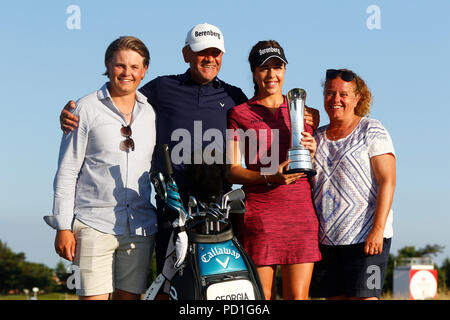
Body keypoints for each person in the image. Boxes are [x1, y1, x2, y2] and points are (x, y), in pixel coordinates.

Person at [59, 23, 321, 279]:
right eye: (201, 52)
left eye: (215, 53)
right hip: (172, 209)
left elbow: (265, 116)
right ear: (186, 54)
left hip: (220, 210)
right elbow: (121, 99)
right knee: (167, 284)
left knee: (217, 284)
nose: (209, 58)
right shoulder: (161, 89)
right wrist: (76, 111)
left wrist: (308, 117)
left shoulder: (234, 96)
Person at [44, 36, 157, 300]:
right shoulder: (84, 108)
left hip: (140, 226)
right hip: (93, 224)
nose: (127, 72)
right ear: (107, 66)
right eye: (120, 65)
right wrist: (62, 226)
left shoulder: (151, 111)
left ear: (144, 70)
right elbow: (67, 170)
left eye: (134, 66)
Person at [227, 40, 322, 300]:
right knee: (260, 298)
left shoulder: (307, 111)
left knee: (298, 298)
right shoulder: (239, 113)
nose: (271, 75)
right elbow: (232, 170)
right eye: (263, 68)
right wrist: (271, 176)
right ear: (254, 73)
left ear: (285, 69)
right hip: (261, 216)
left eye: (277, 67)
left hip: (300, 215)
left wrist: (313, 148)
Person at [309, 68, 396, 300]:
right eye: (329, 93)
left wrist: (377, 230)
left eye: (343, 94)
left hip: (368, 241)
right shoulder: (315, 137)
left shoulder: (372, 129)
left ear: (357, 98)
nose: (335, 99)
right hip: (328, 242)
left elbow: (387, 181)